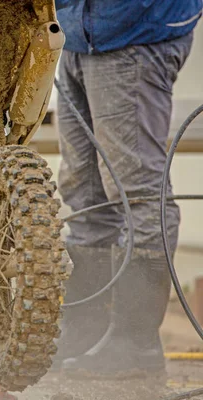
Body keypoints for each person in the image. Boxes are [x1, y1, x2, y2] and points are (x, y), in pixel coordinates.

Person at [54, 0, 202, 378]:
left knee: (137, 192)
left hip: (133, 34)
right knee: (83, 190)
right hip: (75, 36)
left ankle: (135, 343)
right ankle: (85, 334)